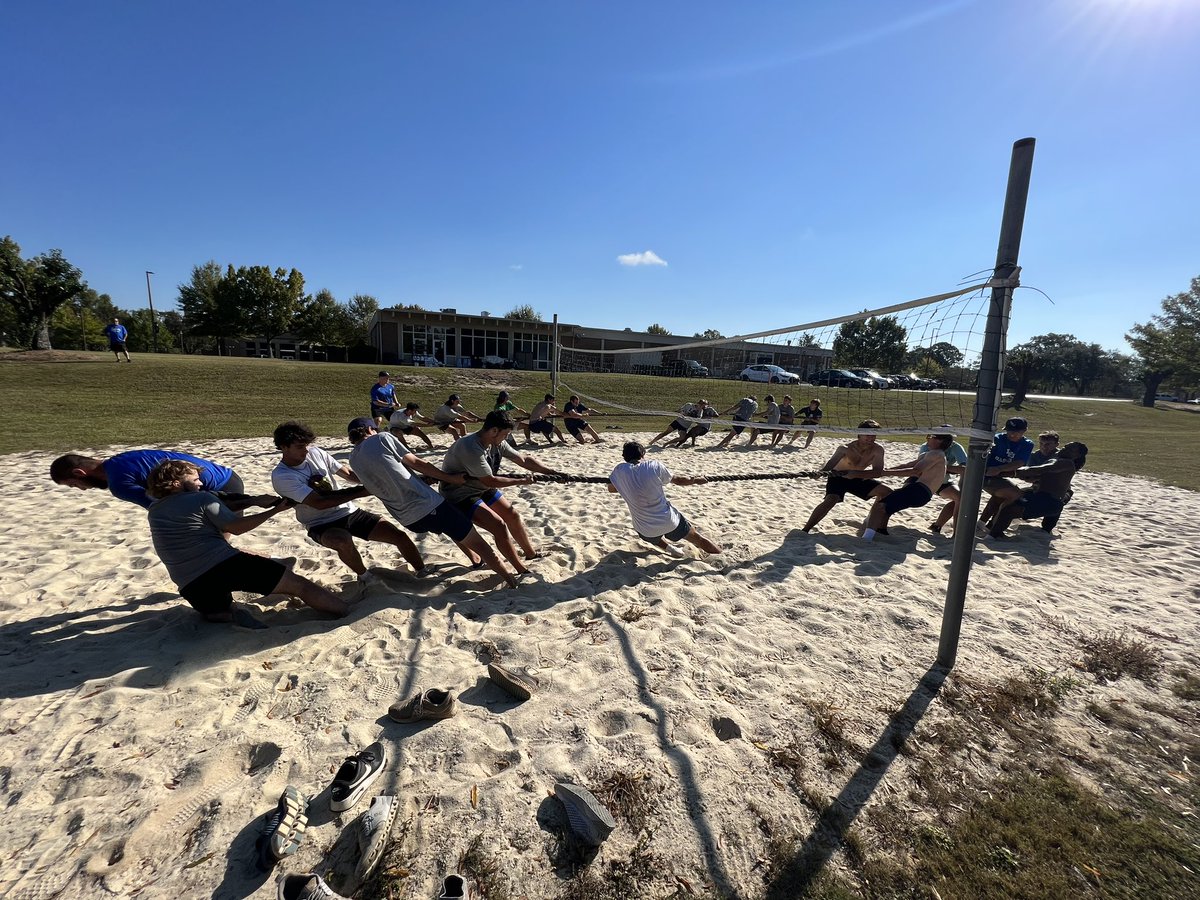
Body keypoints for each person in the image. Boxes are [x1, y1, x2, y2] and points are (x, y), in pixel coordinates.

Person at [145, 459, 350, 622]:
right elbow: (236, 528)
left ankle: (226, 614)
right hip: (224, 565)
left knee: (218, 612)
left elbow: (204, 513)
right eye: (195, 479)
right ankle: (348, 612)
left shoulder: (154, 510)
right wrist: (274, 510)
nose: (201, 483)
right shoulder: (201, 499)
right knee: (301, 586)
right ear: (176, 483)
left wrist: (254, 501)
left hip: (190, 586)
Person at [345, 418, 519, 588]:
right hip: (427, 505)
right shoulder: (382, 438)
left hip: (407, 519)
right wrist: (449, 477)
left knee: (451, 527)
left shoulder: (353, 459)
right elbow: (416, 462)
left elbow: (387, 479)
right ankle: (511, 581)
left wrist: (420, 480)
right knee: (477, 541)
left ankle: (475, 560)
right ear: (369, 430)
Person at [270, 421, 426, 584]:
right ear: (284, 447)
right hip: (319, 523)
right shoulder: (282, 476)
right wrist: (363, 491)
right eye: (300, 446)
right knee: (341, 541)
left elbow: (350, 475)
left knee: (398, 536)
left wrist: (381, 477)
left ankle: (422, 571)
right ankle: (365, 577)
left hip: (348, 512)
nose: (306, 450)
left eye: (307, 445)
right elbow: (319, 503)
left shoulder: (316, 453)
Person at [440, 411, 567, 571]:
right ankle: (520, 569)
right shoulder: (470, 447)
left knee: (512, 515)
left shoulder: (497, 442)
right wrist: (522, 481)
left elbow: (523, 460)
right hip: (459, 494)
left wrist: (551, 472)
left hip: (481, 488)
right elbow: (491, 480)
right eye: (506, 434)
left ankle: (531, 554)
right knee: (498, 526)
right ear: (494, 431)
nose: (507, 437)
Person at [50, 450, 274, 511]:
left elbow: (164, 508)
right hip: (227, 475)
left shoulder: (119, 483)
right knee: (221, 537)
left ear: (80, 473)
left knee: (215, 542)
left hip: (217, 487)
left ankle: (277, 565)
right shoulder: (122, 459)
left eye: (74, 484)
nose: (80, 489)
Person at [608, 441, 721, 556]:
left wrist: (626, 483)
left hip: (645, 529)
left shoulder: (619, 470)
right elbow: (678, 480)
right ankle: (719, 554)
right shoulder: (654, 465)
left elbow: (611, 489)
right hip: (669, 521)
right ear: (643, 454)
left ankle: (670, 549)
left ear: (624, 457)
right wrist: (696, 480)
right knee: (698, 539)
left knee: (647, 534)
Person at [859, 434, 953, 540]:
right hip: (920, 492)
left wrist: (885, 473)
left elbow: (915, 471)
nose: (928, 438)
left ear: (939, 441)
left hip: (919, 491)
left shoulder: (936, 454)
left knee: (879, 507)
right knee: (886, 502)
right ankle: (881, 530)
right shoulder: (931, 454)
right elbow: (907, 465)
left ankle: (866, 538)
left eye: (930, 436)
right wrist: (885, 470)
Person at [986, 442, 1088, 538]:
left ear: (1076, 455)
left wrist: (1003, 472)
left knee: (1009, 510)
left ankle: (994, 535)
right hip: (1040, 496)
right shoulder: (1058, 460)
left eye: (1070, 449)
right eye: (1066, 446)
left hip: (1048, 501)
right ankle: (989, 527)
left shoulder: (1066, 463)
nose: (1065, 449)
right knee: (1005, 496)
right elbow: (1040, 475)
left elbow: (1039, 469)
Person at [801, 421, 888, 532]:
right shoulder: (844, 448)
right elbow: (829, 466)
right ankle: (806, 529)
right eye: (868, 434)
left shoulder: (878, 449)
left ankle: (872, 520)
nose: (871, 437)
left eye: (874, 435)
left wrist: (856, 474)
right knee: (831, 500)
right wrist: (818, 474)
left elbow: (877, 472)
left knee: (886, 492)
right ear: (859, 434)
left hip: (858, 477)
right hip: (838, 477)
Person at [979, 417, 1036, 527]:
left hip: (998, 475)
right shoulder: (997, 439)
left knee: (1005, 495)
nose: (1012, 434)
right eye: (1009, 431)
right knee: (1014, 495)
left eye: (1016, 432)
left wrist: (999, 469)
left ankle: (985, 523)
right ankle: (994, 524)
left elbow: (1019, 462)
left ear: (1024, 431)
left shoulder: (1027, 444)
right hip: (984, 474)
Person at [924, 427, 971, 533]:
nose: (950, 441)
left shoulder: (955, 447)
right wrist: (950, 469)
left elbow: (965, 468)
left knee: (960, 499)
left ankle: (945, 529)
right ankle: (955, 532)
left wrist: (943, 468)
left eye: (950, 438)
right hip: (928, 482)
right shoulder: (927, 447)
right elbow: (924, 469)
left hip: (944, 482)